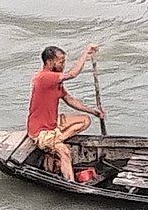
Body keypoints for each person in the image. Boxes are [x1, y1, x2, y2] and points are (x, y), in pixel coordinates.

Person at [26, 44, 106, 181]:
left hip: (53, 123)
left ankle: (57, 139)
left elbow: (69, 99)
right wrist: (85, 53)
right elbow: (73, 74)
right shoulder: (44, 77)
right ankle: (70, 181)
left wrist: (93, 111)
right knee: (65, 152)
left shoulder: (55, 81)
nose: (63, 65)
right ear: (50, 62)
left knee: (85, 120)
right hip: (40, 131)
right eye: (61, 62)